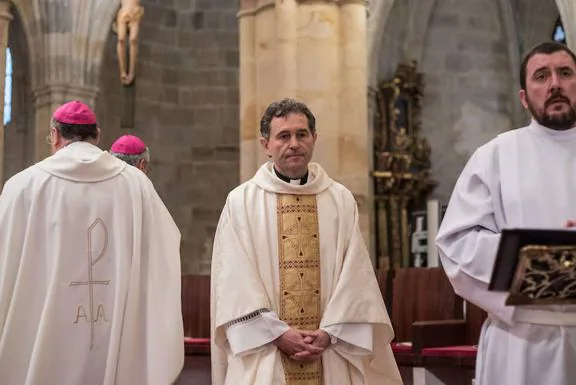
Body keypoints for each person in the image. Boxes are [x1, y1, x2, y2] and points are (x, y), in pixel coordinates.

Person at [436, 41, 576, 385]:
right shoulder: (495, 156)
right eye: (541, 76)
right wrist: (537, 254)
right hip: (523, 341)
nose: (554, 83)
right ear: (524, 97)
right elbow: (456, 244)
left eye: (565, 73)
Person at [210, 98, 402, 385]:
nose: (294, 144)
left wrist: (328, 332)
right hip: (267, 352)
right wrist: (277, 333)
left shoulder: (339, 199)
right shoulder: (241, 202)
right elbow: (234, 281)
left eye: (302, 134)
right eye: (283, 136)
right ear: (266, 144)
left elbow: (356, 277)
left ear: (314, 138)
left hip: (329, 350)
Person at [0, 101, 184, 385]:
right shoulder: (137, 186)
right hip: (117, 334)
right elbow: (166, 248)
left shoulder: (22, 186)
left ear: (55, 135)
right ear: (97, 135)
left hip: (43, 336)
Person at [116, 0, 144, 85]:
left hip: (135, 11)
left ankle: (132, 72)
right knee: (121, 39)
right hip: (124, 10)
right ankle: (123, 71)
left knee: (133, 39)